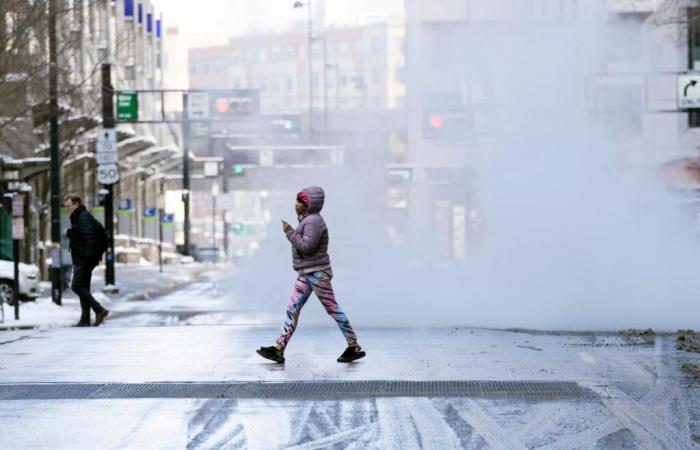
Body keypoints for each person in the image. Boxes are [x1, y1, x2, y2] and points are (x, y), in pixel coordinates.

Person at [257, 186, 366, 364]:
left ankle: (353, 345)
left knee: (332, 308)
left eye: (300, 202)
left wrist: (290, 232)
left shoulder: (313, 222)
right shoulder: (307, 220)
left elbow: (307, 247)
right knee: (292, 309)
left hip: (317, 273)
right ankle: (278, 349)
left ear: (309, 205)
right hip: (307, 273)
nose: (296, 205)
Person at [64, 195, 109, 327]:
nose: (67, 209)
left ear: (76, 204)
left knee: (76, 286)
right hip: (83, 258)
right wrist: (72, 233)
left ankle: (99, 309)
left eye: (69, 206)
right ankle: (85, 319)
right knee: (84, 287)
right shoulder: (80, 216)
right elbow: (82, 235)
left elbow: (89, 238)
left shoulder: (83, 217)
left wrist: (86, 258)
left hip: (83, 259)